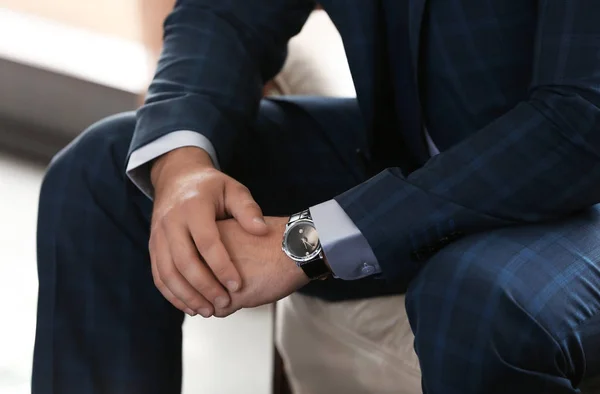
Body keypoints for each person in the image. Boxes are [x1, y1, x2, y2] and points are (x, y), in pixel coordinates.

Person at [32, 1, 600, 393]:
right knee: (104, 174)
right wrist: (183, 168)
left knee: (474, 300)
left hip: (580, 193)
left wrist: (306, 242)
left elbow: (579, 124)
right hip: (421, 157)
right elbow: (226, 14)